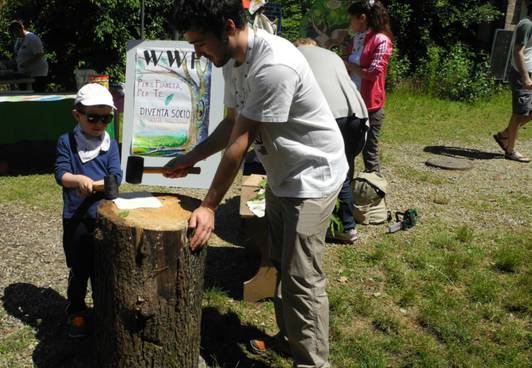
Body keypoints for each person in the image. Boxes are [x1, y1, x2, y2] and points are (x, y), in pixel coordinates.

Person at [167, 1, 348, 367]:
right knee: (280, 263)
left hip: (313, 177)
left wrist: (209, 206)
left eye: (200, 43)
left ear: (229, 26)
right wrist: (191, 158)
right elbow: (230, 125)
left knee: (303, 278)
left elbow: (239, 144)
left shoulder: (273, 66)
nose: (198, 53)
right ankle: (289, 338)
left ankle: (313, 363)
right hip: (283, 175)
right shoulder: (232, 62)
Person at [54, 83, 122, 338]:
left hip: (104, 216)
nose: (99, 123)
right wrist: (78, 180)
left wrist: (98, 185)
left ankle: (105, 309)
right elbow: (61, 174)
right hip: (77, 218)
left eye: (105, 118)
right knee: (80, 267)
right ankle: (77, 309)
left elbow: (116, 175)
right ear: (77, 115)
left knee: (105, 267)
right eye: (92, 117)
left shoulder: (110, 144)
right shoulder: (67, 142)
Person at [294, 38, 369, 244]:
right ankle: (344, 223)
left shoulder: (296, 55)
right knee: (343, 170)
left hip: (333, 116)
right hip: (358, 115)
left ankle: (314, 229)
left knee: (317, 172)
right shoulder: (331, 56)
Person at [344, 0, 393, 173]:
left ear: (362, 18)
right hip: (350, 103)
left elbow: (372, 74)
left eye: (352, 19)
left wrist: (348, 65)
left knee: (369, 152)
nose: (350, 22)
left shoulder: (381, 40)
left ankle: (373, 192)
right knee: (346, 151)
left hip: (371, 106)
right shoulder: (355, 39)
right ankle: (346, 193)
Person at [493, 0, 532, 163]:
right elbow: (518, 52)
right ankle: (510, 150)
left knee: (529, 112)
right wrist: (525, 77)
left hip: (530, 72)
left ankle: (504, 136)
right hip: (522, 74)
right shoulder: (526, 24)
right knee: (520, 112)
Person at [9, 20, 49, 92]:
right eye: (14, 32)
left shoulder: (32, 38)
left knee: (37, 96)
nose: (15, 34)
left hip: (37, 74)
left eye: (16, 31)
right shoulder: (19, 40)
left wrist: (26, 64)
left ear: (22, 28)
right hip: (25, 74)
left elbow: (39, 54)